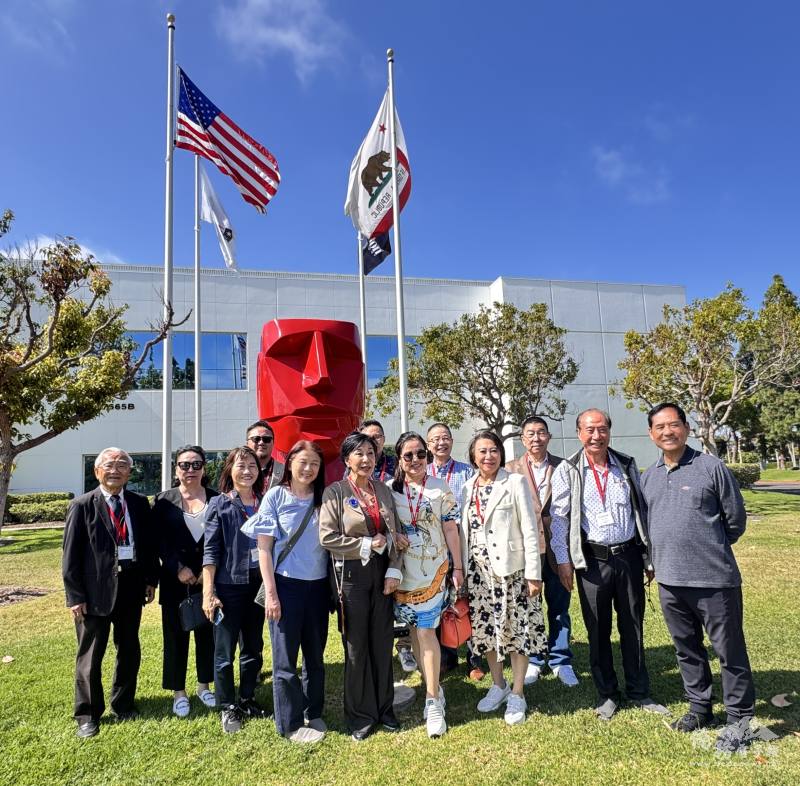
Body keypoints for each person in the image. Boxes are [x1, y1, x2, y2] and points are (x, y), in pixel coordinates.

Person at [641, 403, 755, 752]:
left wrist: (710, 547)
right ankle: (699, 707)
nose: (667, 432)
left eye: (673, 425)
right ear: (651, 434)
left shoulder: (711, 467)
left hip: (714, 581)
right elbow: (649, 524)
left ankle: (739, 718)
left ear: (686, 428)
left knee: (729, 650)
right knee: (687, 649)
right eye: (659, 427)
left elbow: (734, 521)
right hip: (670, 582)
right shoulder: (650, 475)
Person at [549, 409, 667, 721]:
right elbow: (559, 520)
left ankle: (639, 690)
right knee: (597, 629)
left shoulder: (625, 464)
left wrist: (648, 558)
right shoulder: (568, 469)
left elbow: (641, 512)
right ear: (578, 433)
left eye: (602, 429)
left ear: (609, 431)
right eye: (589, 430)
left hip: (628, 556)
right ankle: (607, 693)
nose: (596, 436)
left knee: (633, 625)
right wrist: (563, 561)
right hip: (592, 561)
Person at [62, 447, 158, 738]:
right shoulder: (82, 505)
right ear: (97, 471)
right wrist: (75, 596)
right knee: (91, 655)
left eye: (121, 465)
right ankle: (88, 713)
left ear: (130, 472)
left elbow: (149, 546)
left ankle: (124, 703)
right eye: (108, 465)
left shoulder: (140, 503)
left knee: (129, 649)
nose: (115, 470)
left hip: (131, 587)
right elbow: (70, 556)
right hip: (94, 592)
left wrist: (150, 579)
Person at [319, 431, 408, 741]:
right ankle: (360, 715)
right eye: (359, 454)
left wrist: (394, 570)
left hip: (382, 577)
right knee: (357, 648)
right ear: (347, 459)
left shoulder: (383, 490)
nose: (367, 459)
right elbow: (328, 538)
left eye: (371, 453)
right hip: (351, 578)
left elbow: (395, 534)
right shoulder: (336, 492)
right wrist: (368, 544)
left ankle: (385, 709)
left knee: (382, 643)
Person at [459, 430, 546, 725]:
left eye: (493, 450)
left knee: (517, 632)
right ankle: (498, 685)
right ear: (473, 455)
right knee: (488, 632)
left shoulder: (515, 482)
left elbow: (531, 530)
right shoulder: (467, 487)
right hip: (480, 576)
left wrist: (534, 574)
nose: (488, 456)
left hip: (512, 572)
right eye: (482, 451)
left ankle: (518, 692)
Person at [249, 440, 330, 744]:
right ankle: (290, 723)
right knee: (285, 660)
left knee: (315, 655)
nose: (308, 469)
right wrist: (271, 593)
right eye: (303, 462)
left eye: (314, 464)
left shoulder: (324, 498)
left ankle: (314, 710)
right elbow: (265, 549)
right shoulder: (275, 496)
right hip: (285, 586)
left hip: (319, 587)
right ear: (291, 462)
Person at [389, 432, 463, 737]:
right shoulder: (390, 491)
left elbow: (450, 527)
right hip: (403, 575)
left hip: (434, 571)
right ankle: (430, 683)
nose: (416, 460)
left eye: (421, 454)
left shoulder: (438, 487)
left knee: (425, 630)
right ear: (400, 459)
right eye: (409, 455)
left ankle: (432, 699)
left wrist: (458, 566)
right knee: (415, 634)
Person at [506, 416, 577, 688]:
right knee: (529, 607)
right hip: (527, 549)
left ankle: (560, 659)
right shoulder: (511, 469)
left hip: (557, 546)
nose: (536, 438)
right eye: (530, 434)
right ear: (523, 439)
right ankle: (535, 657)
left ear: (549, 436)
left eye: (541, 433)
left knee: (560, 605)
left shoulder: (564, 467)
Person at [202, 446, 267, 733]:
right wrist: (209, 591)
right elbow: (210, 551)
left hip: (259, 585)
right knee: (224, 651)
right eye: (240, 465)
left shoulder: (265, 502)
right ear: (229, 470)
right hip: (229, 587)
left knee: (254, 647)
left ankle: (248, 697)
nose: (247, 470)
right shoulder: (220, 504)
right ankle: (227, 705)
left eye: (252, 465)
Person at [154, 445, 219, 718]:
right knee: (175, 637)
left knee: (208, 636)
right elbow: (157, 541)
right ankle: (179, 692)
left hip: (209, 581)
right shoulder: (163, 500)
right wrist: (177, 567)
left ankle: (204, 686)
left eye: (196, 464)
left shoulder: (217, 498)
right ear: (176, 469)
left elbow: (221, 540)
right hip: (174, 581)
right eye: (184, 465)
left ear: (204, 468)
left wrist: (207, 575)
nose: (190, 470)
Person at [425, 422, 482, 679]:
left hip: (462, 544)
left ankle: (475, 658)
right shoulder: (421, 473)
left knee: (467, 599)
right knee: (438, 602)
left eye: (445, 437)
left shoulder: (467, 472)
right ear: (428, 445)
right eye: (435, 439)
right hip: (433, 549)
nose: (441, 443)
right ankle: (447, 657)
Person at [246, 420, 284, 493]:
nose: (261, 442)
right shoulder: (237, 470)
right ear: (247, 443)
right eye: (256, 439)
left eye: (267, 439)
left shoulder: (285, 471)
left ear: (273, 443)